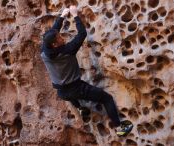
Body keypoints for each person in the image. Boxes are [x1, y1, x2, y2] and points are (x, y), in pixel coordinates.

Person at [40, 5, 133, 136]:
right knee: (107, 98)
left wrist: (62, 16)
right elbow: (82, 34)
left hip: (61, 92)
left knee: (72, 98)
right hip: (76, 88)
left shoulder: (44, 51)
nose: (62, 38)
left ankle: (81, 108)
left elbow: (53, 32)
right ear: (55, 44)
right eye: (60, 38)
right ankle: (119, 128)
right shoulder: (67, 50)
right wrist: (75, 15)